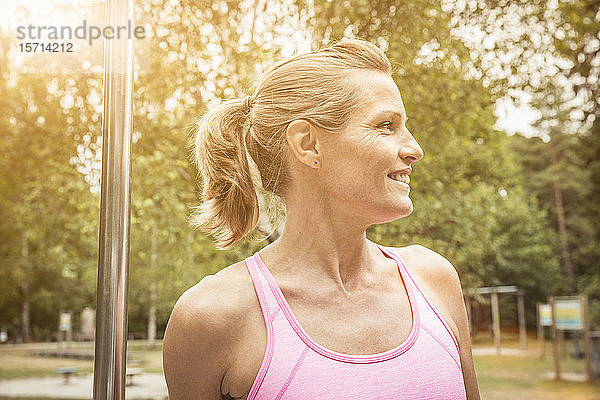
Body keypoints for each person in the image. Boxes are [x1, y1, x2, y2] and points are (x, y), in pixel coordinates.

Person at [163, 38, 480, 400]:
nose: (414, 149)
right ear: (308, 144)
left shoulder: (434, 279)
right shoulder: (212, 317)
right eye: (386, 125)